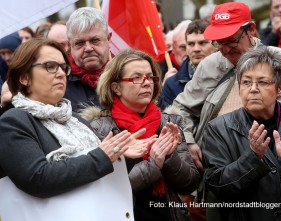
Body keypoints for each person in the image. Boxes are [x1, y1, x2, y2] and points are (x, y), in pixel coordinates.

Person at [0, 38, 152, 221]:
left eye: (64, 68)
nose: (60, 74)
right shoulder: (13, 121)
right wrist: (102, 156)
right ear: (24, 77)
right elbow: (37, 178)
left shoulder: (75, 119)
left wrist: (121, 154)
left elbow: (96, 169)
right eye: (50, 66)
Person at [173, 1, 281, 171]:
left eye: (231, 41)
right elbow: (180, 108)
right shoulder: (209, 65)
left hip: (278, 166)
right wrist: (187, 139)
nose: (225, 50)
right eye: (218, 43)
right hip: (220, 166)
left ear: (251, 30)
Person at [81, 48, 200, 221]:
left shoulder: (169, 122)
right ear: (116, 87)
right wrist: (153, 164)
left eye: (150, 77)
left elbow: (190, 183)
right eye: (136, 77)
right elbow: (106, 192)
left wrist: (169, 158)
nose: (146, 83)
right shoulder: (99, 128)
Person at [202, 46, 281, 221]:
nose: (253, 89)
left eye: (263, 82)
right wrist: (253, 158)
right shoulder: (219, 129)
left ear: (279, 89)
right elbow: (218, 185)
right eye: (246, 82)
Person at [160, 19, 216, 110]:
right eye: (191, 44)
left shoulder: (230, 76)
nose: (196, 49)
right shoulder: (171, 85)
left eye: (202, 43)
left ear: (215, 45)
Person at [64, 7, 111, 112]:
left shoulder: (127, 76)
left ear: (108, 39)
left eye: (95, 40)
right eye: (79, 43)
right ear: (69, 45)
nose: (88, 48)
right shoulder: (59, 82)